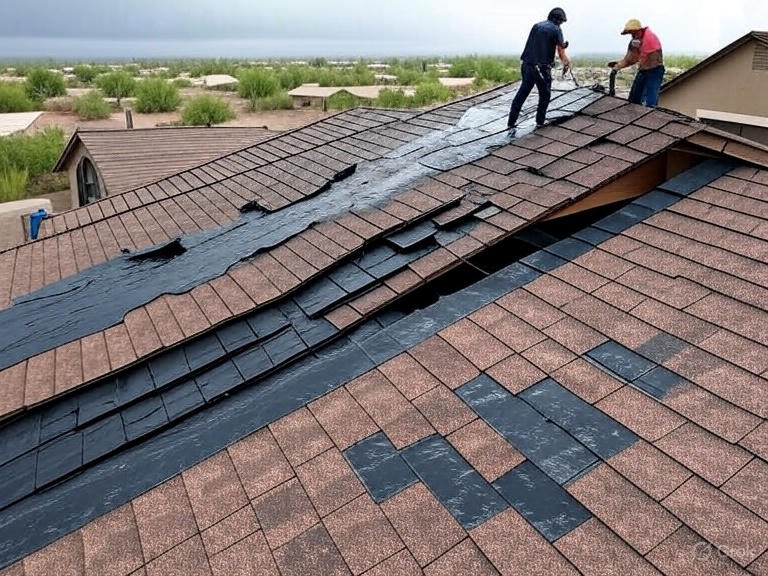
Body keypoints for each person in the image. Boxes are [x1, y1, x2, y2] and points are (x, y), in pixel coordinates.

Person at [507, 8, 571, 131]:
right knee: (545, 95)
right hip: (541, 68)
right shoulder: (556, 29)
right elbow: (561, 48)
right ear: (558, 20)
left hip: (526, 65)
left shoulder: (536, 26)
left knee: (522, 93)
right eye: (561, 21)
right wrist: (566, 62)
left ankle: (511, 122)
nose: (561, 23)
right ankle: (540, 122)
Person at [608, 19, 664, 107]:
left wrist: (639, 48)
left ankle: (648, 119)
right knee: (633, 100)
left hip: (654, 71)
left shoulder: (650, 39)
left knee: (649, 103)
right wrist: (618, 66)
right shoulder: (635, 41)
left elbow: (645, 57)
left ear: (640, 31)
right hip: (643, 71)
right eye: (631, 33)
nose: (633, 35)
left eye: (634, 32)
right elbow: (630, 59)